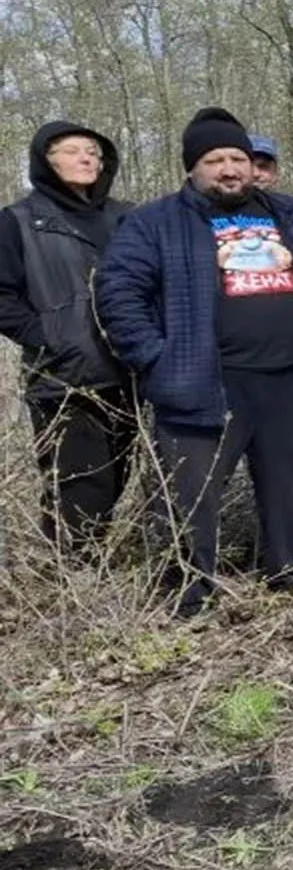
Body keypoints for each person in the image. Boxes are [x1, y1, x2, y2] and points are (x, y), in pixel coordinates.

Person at [96, 107, 293, 618]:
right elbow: (118, 295)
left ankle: (290, 573)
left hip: (289, 377)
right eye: (215, 159)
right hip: (206, 381)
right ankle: (188, 593)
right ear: (192, 168)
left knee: (292, 486)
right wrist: (157, 359)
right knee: (188, 497)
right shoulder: (155, 222)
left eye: (238, 157)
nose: (230, 169)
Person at [0, 120, 135, 551]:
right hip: (63, 377)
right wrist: (47, 338)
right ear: (46, 160)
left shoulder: (125, 216)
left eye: (93, 152)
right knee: (79, 486)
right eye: (73, 150)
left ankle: (84, 561)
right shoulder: (20, 221)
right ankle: (74, 576)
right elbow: (3, 295)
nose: (86, 158)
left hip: (127, 368)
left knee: (117, 475)